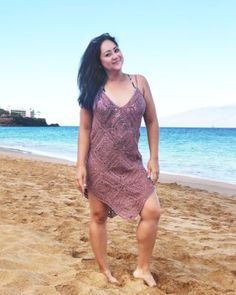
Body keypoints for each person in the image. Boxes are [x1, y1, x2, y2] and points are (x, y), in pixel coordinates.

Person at [76, 33, 161, 287]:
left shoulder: (140, 83)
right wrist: (80, 164)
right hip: (99, 164)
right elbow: (84, 129)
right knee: (98, 215)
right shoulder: (93, 90)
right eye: (108, 53)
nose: (115, 56)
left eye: (116, 50)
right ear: (98, 61)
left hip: (131, 164)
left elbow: (152, 121)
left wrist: (154, 158)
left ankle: (142, 269)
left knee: (152, 210)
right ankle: (104, 270)